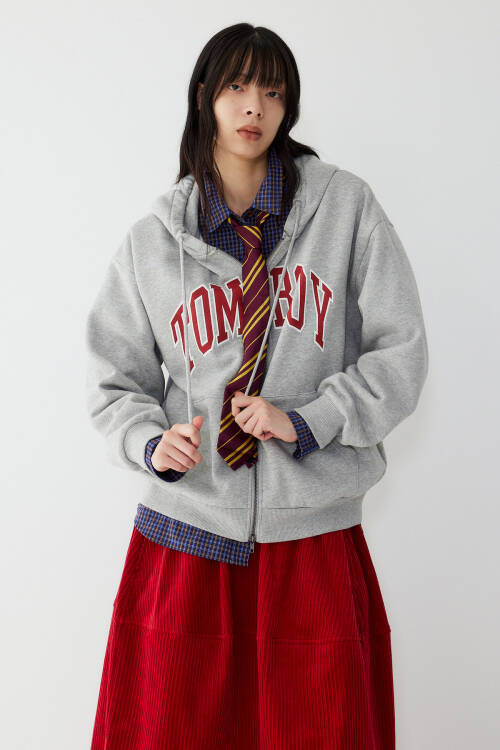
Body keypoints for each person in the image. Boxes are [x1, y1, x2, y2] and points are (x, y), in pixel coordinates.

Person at [86, 22, 429, 750]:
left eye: (272, 93)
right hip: (186, 535)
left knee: (322, 731)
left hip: (311, 537)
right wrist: (150, 443)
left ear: (289, 107)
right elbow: (113, 380)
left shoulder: (347, 210)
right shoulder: (153, 240)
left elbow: (400, 352)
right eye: (238, 87)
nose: (254, 108)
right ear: (204, 98)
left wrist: (308, 420)